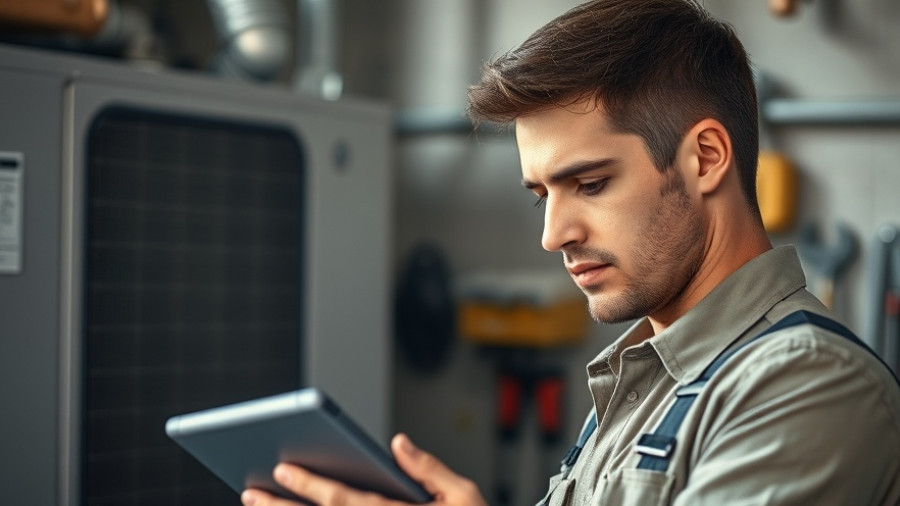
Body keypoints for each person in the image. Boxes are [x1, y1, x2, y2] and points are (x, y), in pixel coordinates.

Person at [241, 0, 900, 504]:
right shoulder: (646, 378)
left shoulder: (808, 385)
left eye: (590, 184)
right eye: (541, 197)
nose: (553, 235)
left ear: (705, 158)